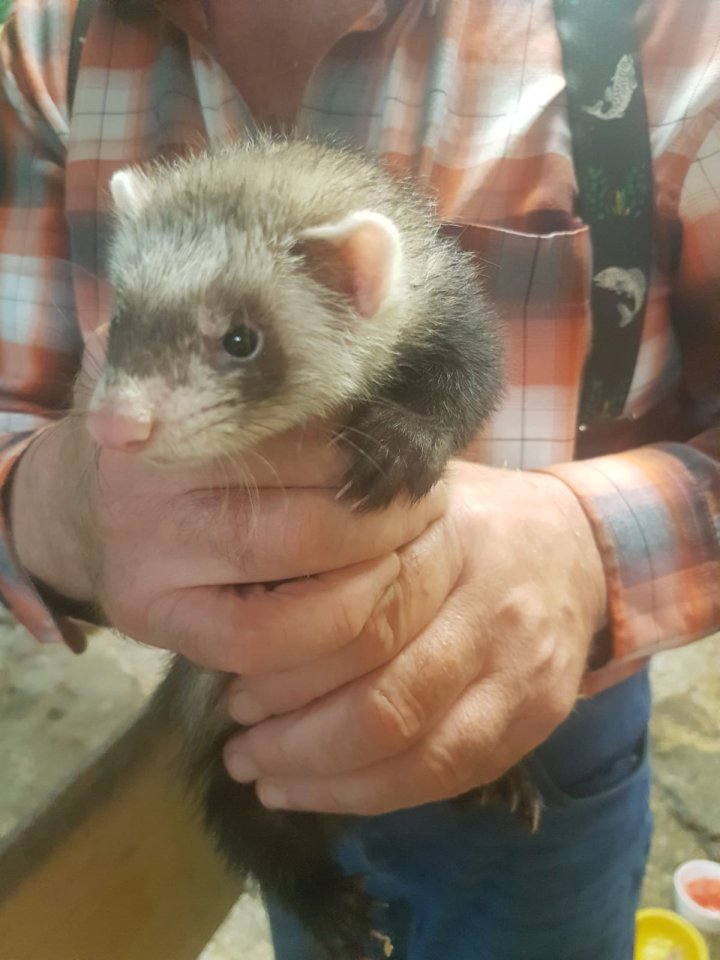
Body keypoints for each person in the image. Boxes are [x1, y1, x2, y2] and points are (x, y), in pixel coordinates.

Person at [0, 1, 718, 957]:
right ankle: (318, 897)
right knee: (250, 806)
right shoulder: (47, 45)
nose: (121, 416)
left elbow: (461, 374)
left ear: (356, 283)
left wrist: (591, 547)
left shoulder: (668, 33)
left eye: (238, 343)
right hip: (271, 714)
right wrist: (62, 505)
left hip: (558, 717)